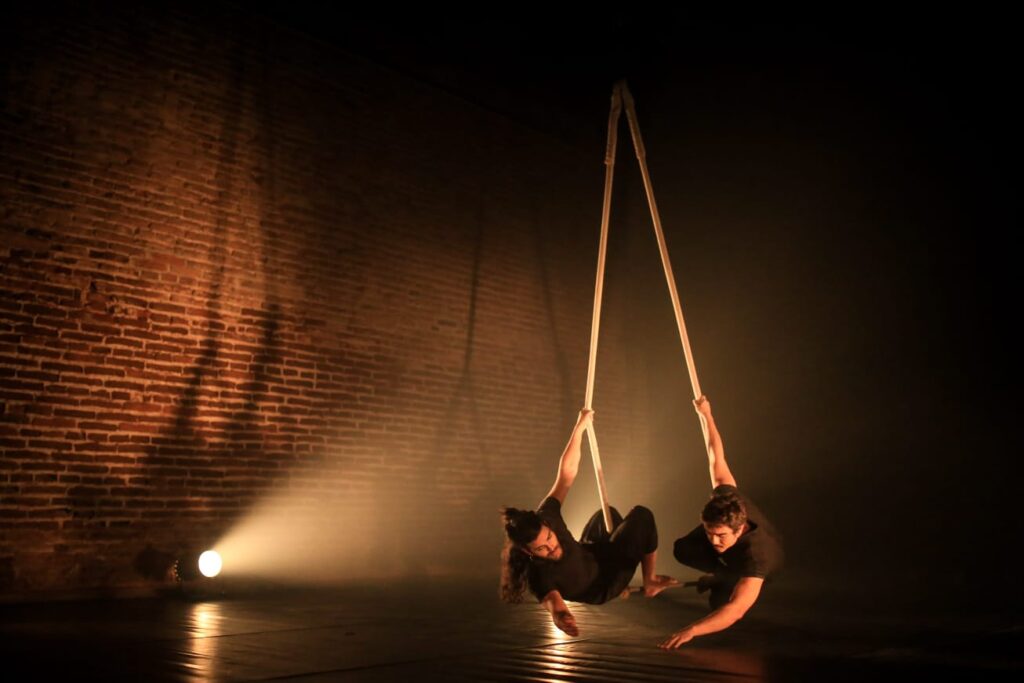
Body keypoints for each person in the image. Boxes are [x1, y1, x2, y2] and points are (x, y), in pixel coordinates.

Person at [500, 409, 678, 636]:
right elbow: (555, 605)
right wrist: (562, 618)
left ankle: (624, 554)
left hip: (595, 556)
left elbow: (566, 474)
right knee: (642, 516)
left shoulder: (548, 517)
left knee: (606, 515)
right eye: (542, 548)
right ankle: (650, 580)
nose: (551, 547)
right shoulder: (538, 575)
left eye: (550, 538)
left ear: (547, 526)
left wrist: (580, 426)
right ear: (528, 552)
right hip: (605, 583)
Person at [660, 396, 784, 649]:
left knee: (720, 605)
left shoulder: (757, 557)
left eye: (721, 536)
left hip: (754, 564)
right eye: (710, 532)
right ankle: (720, 572)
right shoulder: (726, 495)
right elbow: (715, 455)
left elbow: (736, 610)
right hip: (728, 557)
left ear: (740, 529)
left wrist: (693, 630)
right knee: (682, 548)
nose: (714, 541)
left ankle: (724, 575)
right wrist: (706, 415)